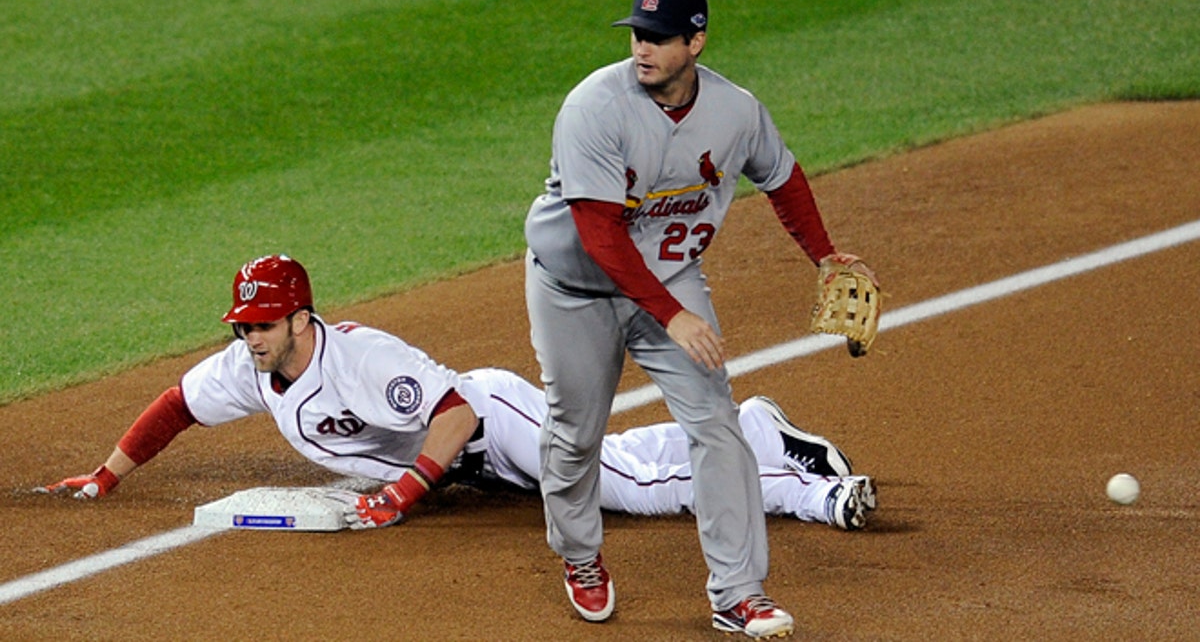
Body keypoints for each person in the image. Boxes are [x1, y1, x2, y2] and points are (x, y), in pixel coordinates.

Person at [522, 0, 880, 638]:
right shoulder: (593, 108)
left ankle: (739, 592)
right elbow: (601, 235)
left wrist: (823, 253)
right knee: (575, 431)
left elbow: (783, 176)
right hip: (572, 287)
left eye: (658, 37)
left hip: (669, 277)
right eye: (636, 34)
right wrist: (673, 314)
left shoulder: (736, 111)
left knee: (718, 421)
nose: (642, 48)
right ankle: (579, 554)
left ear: (697, 40)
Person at [39, 255, 876, 537]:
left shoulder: (362, 357)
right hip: (466, 461)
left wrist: (402, 493)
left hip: (488, 420)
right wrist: (107, 473)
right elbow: (176, 403)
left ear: (300, 317)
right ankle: (755, 427)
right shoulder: (249, 366)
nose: (249, 337)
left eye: (262, 324)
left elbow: (456, 413)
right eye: (242, 325)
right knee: (626, 459)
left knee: (626, 492)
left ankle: (812, 491)